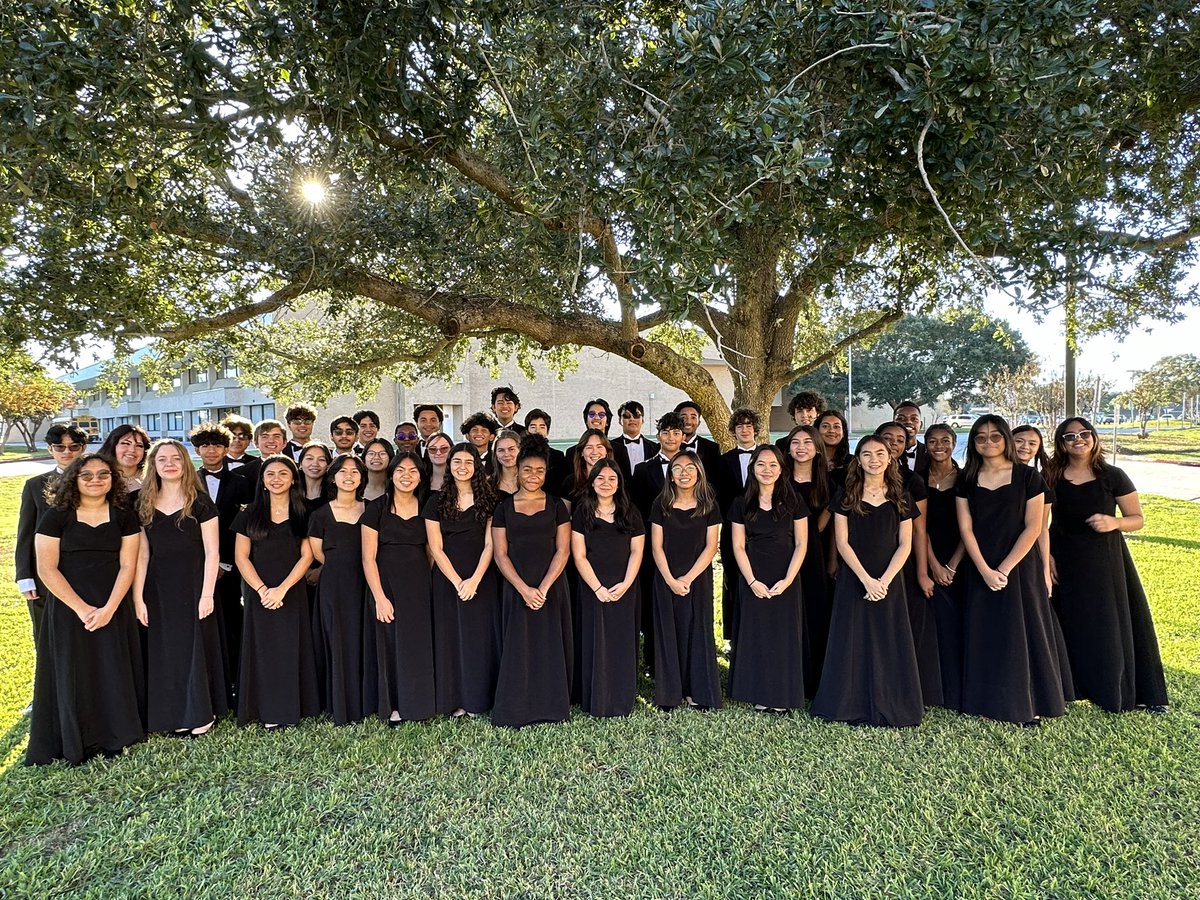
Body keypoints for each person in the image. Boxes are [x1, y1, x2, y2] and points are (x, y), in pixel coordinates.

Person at [26, 453, 145, 764]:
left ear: (113, 480)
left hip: (113, 603)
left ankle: (116, 735)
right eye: (87, 475)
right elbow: (47, 568)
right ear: (74, 480)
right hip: (69, 607)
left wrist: (109, 608)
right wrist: (82, 609)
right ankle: (76, 736)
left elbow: (128, 565)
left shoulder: (124, 516)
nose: (96, 480)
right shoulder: (56, 516)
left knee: (111, 667)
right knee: (73, 671)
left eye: (103, 474)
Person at [1046, 417, 1168, 714]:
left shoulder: (1113, 475)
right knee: (1069, 620)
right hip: (1063, 557)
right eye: (1070, 436)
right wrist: (1046, 556)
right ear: (1061, 443)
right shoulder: (1051, 474)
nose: (1078, 440)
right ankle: (1072, 687)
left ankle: (1119, 688)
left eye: (1084, 434)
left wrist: (1114, 522)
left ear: (1094, 437)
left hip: (1104, 560)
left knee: (1108, 622)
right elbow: (1041, 520)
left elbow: (1137, 519)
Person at [955, 415, 1071, 725]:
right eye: (981, 437)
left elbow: (1034, 527)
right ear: (974, 443)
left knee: (1021, 631)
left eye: (995, 436)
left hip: (1019, 566)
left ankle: (1027, 702)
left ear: (1005, 438)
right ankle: (983, 701)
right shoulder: (966, 479)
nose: (988, 442)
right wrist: (984, 569)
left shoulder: (1028, 477)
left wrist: (1004, 569)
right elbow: (966, 529)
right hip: (979, 565)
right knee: (985, 630)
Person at [810, 436, 923, 728]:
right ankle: (849, 703)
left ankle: (891, 702)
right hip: (854, 578)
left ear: (890, 458)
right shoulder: (846, 496)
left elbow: (906, 544)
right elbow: (842, 542)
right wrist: (866, 580)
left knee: (888, 638)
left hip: (890, 580)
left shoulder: (901, 496)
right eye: (867, 454)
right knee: (852, 638)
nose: (874, 459)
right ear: (858, 460)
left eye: (880, 453)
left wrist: (883, 581)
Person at [134, 439, 227, 736]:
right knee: (166, 649)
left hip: (194, 585)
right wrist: (138, 598)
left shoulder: (200, 503)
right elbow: (142, 554)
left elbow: (213, 552)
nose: (169, 464)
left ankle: (201, 713)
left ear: (185, 463)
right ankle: (171, 714)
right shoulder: (142, 503)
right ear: (153, 465)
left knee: (194, 648)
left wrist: (207, 594)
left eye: (176, 458)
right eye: (162, 459)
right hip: (158, 588)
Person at [232, 454, 320, 730]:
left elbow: (307, 556)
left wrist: (282, 589)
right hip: (259, 592)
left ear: (293, 479)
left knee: (290, 647)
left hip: (291, 590)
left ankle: (290, 708)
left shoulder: (304, 511)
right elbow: (241, 557)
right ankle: (262, 708)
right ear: (262, 480)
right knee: (262, 648)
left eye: (283, 473)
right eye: (270, 474)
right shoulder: (248, 513)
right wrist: (262, 590)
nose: (276, 479)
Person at [491, 434, 574, 727]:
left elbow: (563, 550)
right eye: (527, 469)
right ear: (517, 470)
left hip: (551, 586)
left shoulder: (557, 506)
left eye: (539, 470)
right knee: (519, 646)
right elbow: (500, 554)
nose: (533, 475)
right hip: (516, 587)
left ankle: (551, 706)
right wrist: (524, 589)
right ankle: (517, 708)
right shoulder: (503, 508)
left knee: (548, 644)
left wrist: (543, 588)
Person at [728, 445, 809, 712]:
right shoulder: (740, 503)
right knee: (757, 634)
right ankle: (758, 694)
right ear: (752, 468)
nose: (767, 470)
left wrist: (788, 579)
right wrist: (752, 581)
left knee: (784, 635)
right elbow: (738, 546)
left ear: (781, 469)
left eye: (773, 465)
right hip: (753, 574)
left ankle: (783, 694)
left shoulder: (794, 500)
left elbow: (801, 544)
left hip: (786, 575)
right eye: (761, 464)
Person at [424, 443, 501, 716]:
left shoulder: (489, 499)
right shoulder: (435, 501)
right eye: (457, 461)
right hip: (447, 580)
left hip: (482, 578)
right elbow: (435, 548)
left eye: (469, 462)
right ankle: (454, 700)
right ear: (449, 465)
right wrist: (458, 582)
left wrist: (474, 580)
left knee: (479, 638)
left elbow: (490, 545)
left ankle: (478, 700)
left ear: (477, 466)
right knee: (450, 639)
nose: (462, 467)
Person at [363, 451, 436, 724]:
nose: (407, 476)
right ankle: (392, 705)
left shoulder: (427, 506)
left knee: (417, 644)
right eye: (401, 471)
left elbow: (431, 552)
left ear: (420, 476)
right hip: (386, 586)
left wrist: (424, 582)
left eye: (413, 471)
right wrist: (379, 597)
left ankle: (418, 704)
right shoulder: (376, 508)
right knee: (389, 644)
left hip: (419, 587)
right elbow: (367, 558)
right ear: (391, 475)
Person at [649, 450, 723, 710]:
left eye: (690, 468)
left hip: (697, 579)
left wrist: (688, 578)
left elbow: (711, 546)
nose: (684, 473)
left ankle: (697, 692)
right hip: (666, 577)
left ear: (699, 473)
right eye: (677, 468)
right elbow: (656, 547)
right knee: (669, 633)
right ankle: (670, 694)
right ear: (670, 475)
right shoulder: (660, 504)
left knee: (697, 632)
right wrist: (671, 579)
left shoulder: (709, 505)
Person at [571, 459, 645, 717]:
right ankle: (594, 697)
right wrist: (597, 588)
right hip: (592, 586)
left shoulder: (630, 511)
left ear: (619, 483)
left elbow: (637, 551)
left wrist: (626, 584)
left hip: (625, 586)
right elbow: (579, 555)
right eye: (600, 478)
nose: (606, 483)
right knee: (594, 640)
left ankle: (621, 697)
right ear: (592, 482)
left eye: (612, 478)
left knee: (621, 641)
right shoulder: (582, 512)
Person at [876, 420, 941, 706]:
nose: (893, 443)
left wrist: (923, 572)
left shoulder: (912, 481)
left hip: (905, 561)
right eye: (887, 438)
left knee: (906, 622)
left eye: (900, 440)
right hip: (867, 560)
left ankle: (905, 685)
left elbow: (920, 530)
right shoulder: (857, 477)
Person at [191, 421, 253, 705]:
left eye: (217, 445)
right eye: (205, 445)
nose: (211, 451)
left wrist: (225, 563)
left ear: (226, 449)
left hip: (232, 565)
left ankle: (235, 679)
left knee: (232, 620)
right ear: (197, 449)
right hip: (197, 566)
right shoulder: (188, 482)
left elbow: (243, 527)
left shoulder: (242, 483)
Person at [15, 423, 87, 659]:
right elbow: (26, 533)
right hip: (44, 577)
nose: (67, 452)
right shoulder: (34, 485)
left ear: (83, 448)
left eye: (73, 447)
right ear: (50, 449)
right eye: (59, 447)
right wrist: (25, 575)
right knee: (47, 640)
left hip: (87, 574)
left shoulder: (98, 481)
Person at [308, 454, 369, 725]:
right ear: (333, 478)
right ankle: (341, 703)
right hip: (335, 586)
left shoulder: (373, 509)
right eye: (343, 471)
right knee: (339, 639)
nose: (349, 476)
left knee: (364, 637)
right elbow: (317, 553)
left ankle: (367, 699)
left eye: (355, 472)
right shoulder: (320, 514)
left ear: (361, 478)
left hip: (367, 582)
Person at [786, 425, 834, 694]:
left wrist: (832, 561)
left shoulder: (829, 484)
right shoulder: (779, 481)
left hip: (816, 556)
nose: (801, 447)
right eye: (795, 442)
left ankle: (813, 679)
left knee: (815, 612)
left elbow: (829, 529)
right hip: (783, 554)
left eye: (807, 442)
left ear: (817, 448)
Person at [922, 423, 966, 709]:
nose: (939, 446)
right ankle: (932, 686)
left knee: (958, 622)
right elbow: (918, 528)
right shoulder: (917, 478)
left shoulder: (966, 479)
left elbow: (969, 528)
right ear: (926, 445)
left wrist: (952, 565)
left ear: (953, 443)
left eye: (945, 440)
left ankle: (958, 686)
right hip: (925, 556)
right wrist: (934, 565)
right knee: (932, 622)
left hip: (961, 558)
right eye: (933, 441)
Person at [715, 407, 760, 649]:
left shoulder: (767, 457)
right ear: (734, 430)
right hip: (732, 528)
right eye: (740, 426)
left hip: (763, 530)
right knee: (732, 580)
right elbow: (719, 496)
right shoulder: (724, 461)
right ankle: (734, 637)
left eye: (749, 425)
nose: (744, 429)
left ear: (755, 429)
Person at [1013, 424, 1054, 594]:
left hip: (1027, 556)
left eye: (1032, 443)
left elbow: (1042, 529)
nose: (1025, 446)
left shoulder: (1039, 480)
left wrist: (1045, 570)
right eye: (1019, 441)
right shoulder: (989, 476)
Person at [564, 428, 615, 503]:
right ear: (582, 452)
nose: (595, 452)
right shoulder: (570, 482)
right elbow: (564, 510)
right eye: (589, 447)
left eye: (599, 447)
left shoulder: (616, 480)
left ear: (606, 451)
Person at [525, 409, 569, 490]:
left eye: (542, 427)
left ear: (547, 431)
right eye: (533, 427)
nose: (537, 431)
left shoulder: (558, 456)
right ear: (527, 431)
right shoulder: (520, 454)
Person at [612, 400, 658, 479]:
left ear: (642, 420)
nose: (632, 419)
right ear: (620, 420)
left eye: (636, 415)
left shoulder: (655, 448)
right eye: (626, 416)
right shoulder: (610, 446)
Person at [99, 423, 151, 491]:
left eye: (139, 446)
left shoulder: (152, 478)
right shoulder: (99, 478)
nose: (132, 450)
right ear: (113, 446)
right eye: (126, 443)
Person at [674, 400, 721, 473]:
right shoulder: (665, 447)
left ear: (699, 422)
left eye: (693, 417)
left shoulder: (712, 448)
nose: (688, 422)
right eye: (683, 417)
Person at [773, 390, 825, 454]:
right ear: (794, 415)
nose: (804, 415)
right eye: (800, 411)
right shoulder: (782, 444)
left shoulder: (826, 441)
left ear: (818, 413)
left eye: (809, 410)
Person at [242, 418, 287, 485]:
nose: (271, 441)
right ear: (255, 443)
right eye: (265, 437)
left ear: (284, 442)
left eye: (276, 436)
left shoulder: (297, 470)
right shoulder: (241, 473)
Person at [298, 442, 333, 514]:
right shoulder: (290, 491)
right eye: (309, 458)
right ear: (301, 463)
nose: (315, 464)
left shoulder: (334, 494)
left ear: (328, 465)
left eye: (321, 460)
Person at [893, 401, 928, 473]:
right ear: (893, 423)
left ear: (920, 425)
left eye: (914, 419)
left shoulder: (929, 453)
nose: (908, 422)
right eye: (901, 418)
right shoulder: (885, 451)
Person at [815, 410, 850, 475]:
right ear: (817, 430)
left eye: (836, 427)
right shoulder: (808, 461)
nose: (831, 430)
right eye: (825, 426)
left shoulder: (852, 462)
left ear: (843, 433)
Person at [489, 430, 522, 497]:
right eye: (501, 450)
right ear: (495, 454)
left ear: (520, 450)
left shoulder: (531, 481)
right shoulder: (488, 484)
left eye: (511, 449)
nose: (506, 454)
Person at [361, 438, 395, 502]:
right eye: (371, 453)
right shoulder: (355, 487)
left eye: (382, 453)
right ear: (364, 459)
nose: (376, 457)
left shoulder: (396, 488)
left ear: (390, 458)